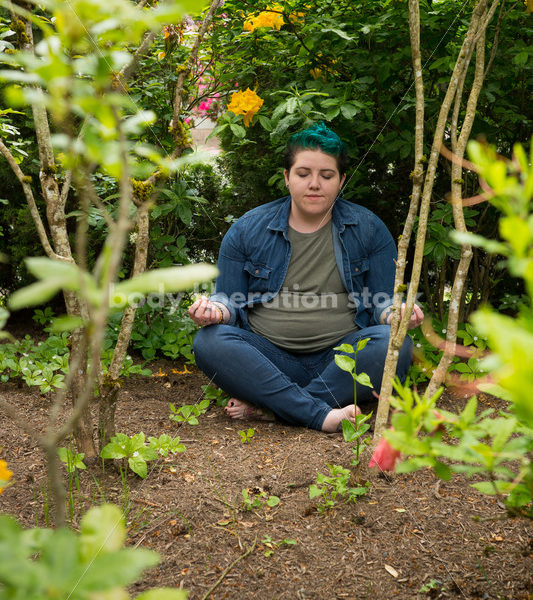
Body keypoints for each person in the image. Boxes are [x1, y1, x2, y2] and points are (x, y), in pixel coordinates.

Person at [189, 122, 423, 433]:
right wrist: (215, 311)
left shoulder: (368, 229)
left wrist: (396, 313)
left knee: (392, 343)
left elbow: (383, 300)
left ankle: (278, 407)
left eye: (326, 176)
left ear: (341, 180)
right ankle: (318, 412)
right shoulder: (248, 229)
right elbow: (228, 297)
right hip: (268, 360)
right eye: (303, 174)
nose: (314, 184)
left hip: (342, 360)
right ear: (287, 178)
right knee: (210, 341)